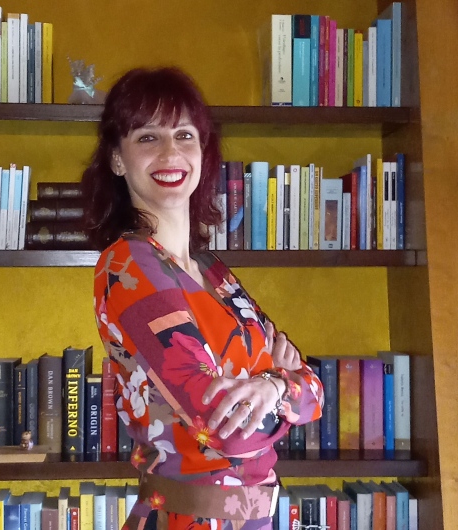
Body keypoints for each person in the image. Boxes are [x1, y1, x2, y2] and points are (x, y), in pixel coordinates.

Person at [82, 66, 324, 530]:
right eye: (148, 137)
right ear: (117, 159)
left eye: (184, 135)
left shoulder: (213, 272)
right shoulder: (129, 265)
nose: (170, 152)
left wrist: (273, 387)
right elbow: (227, 430)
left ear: (202, 151)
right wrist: (280, 379)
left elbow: (315, 392)